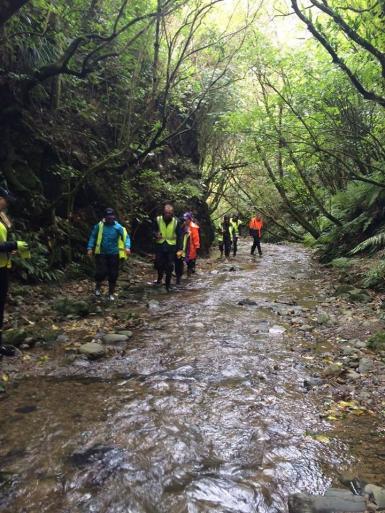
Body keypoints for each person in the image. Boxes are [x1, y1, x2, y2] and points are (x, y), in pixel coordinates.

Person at [0, 188, 29, 357]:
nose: (7, 204)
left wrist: (9, 250)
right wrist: (13, 245)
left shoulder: (2, 217)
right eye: (6, 200)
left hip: (3, 267)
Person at [87, 208, 131, 300]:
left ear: (114, 217)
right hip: (101, 253)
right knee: (101, 272)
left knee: (113, 274)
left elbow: (126, 237)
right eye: (108, 217)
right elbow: (93, 236)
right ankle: (97, 288)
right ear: (105, 217)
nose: (110, 218)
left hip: (114, 254)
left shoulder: (118, 227)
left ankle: (111, 293)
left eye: (111, 217)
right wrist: (90, 247)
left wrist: (127, 247)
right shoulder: (99, 226)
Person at [154, 203, 182, 291]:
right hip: (160, 245)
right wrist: (155, 234)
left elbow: (179, 235)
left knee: (169, 266)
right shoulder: (158, 220)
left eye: (169, 213)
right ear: (163, 212)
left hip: (171, 247)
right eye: (166, 213)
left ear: (172, 213)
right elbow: (152, 230)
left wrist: (180, 248)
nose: (168, 215)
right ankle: (159, 278)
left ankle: (168, 284)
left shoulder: (176, 222)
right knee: (159, 264)